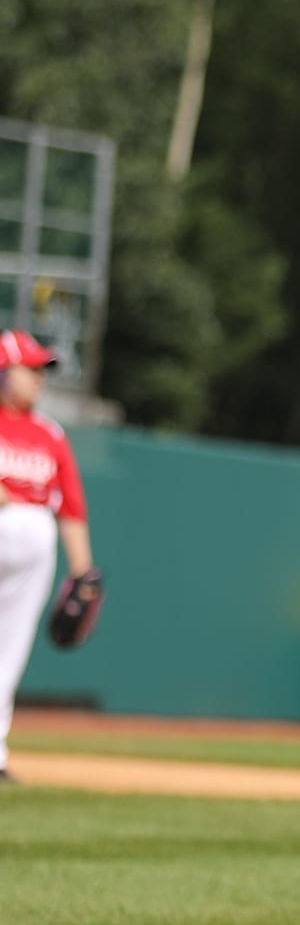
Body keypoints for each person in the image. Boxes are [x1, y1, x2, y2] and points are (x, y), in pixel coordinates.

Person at [0, 331, 98, 780]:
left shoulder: (49, 434)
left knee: (9, 653)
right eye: (31, 369)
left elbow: (71, 507)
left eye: (43, 369)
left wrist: (83, 570)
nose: (40, 378)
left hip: (34, 552)